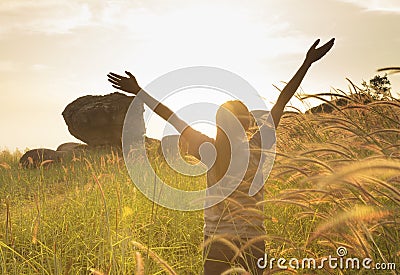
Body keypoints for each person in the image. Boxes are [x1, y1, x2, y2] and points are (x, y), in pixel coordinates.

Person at [107, 38, 334, 274]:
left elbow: (171, 116)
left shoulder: (209, 150)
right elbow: (281, 101)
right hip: (253, 240)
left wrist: (139, 91)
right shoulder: (257, 145)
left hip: (216, 241)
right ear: (247, 124)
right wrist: (307, 62)